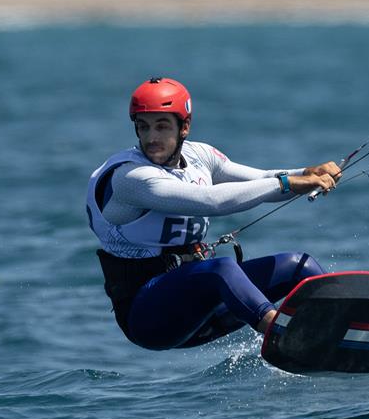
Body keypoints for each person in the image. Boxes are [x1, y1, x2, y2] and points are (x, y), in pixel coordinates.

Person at [86, 77, 341, 350]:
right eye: (143, 128)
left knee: (299, 265)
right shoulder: (130, 177)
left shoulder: (201, 156)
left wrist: (306, 173)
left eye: (162, 127)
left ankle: (347, 330)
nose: (151, 138)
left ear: (184, 127)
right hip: (148, 318)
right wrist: (288, 182)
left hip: (205, 309)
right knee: (221, 268)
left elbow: (262, 179)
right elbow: (210, 201)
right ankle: (286, 338)